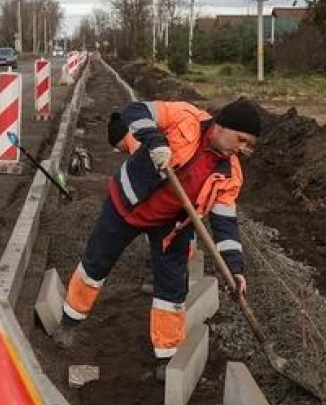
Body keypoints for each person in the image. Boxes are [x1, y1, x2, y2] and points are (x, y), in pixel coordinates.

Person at [53, 97, 262, 380]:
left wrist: (235, 269)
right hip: (126, 205)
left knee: (172, 291)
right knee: (95, 264)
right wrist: (155, 140)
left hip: (171, 225)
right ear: (222, 126)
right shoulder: (186, 117)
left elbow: (226, 225)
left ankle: (167, 359)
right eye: (241, 140)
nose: (243, 149)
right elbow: (134, 111)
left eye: (248, 145)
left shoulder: (230, 174)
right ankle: (69, 322)